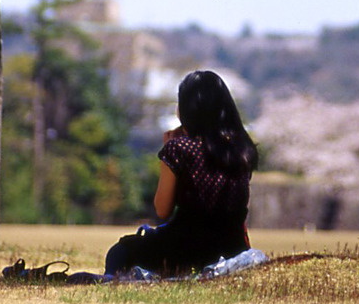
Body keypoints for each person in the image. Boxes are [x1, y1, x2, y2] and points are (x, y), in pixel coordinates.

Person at [104, 69, 258, 277]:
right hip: (233, 248)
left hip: (185, 249)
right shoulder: (243, 148)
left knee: (119, 252)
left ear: (186, 109)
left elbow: (162, 210)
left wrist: (168, 154)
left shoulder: (179, 149)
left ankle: (112, 281)